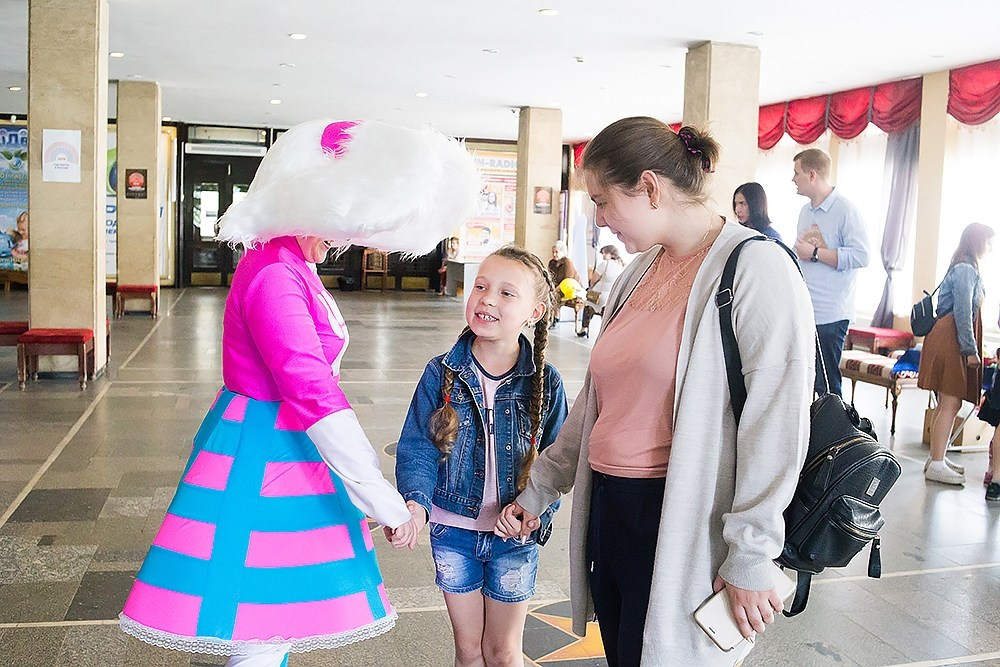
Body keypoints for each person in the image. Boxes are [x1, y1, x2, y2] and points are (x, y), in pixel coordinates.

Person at [119, 119, 478, 667]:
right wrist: (382, 501)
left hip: (280, 445)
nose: (341, 240)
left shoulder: (288, 262)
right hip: (266, 452)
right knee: (258, 627)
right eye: (339, 224)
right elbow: (311, 388)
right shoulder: (274, 272)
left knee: (269, 623)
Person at [495, 118, 815, 666]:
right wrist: (542, 487)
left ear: (649, 187)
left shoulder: (755, 267)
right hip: (612, 512)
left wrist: (752, 554)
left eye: (601, 201)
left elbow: (776, 421)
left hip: (682, 517)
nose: (598, 219)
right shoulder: (639, 271)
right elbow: (598, 400)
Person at [395, 245, 568, 667]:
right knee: (470, 651)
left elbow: (557, 462)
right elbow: (418, 446)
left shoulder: (546, 383)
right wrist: (416, 505)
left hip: (514, 538)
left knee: (503, 652)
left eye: (507, 293)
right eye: (481, 286)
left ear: (535, 312)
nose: (487, 298)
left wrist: (534, 511)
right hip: (452, 532)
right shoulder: (441, 373)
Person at [919, 222, 994, 486]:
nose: (991, 246)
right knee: (950, 401)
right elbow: (963, 312)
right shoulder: (965, 269)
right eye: (988, 241)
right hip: (951, 340)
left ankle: (937, 457)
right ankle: (937, 462)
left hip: (950, 338)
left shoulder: (964, 266)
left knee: (947, 402)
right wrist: (970, 351)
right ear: (976, 241)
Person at [791, 148, 869, 397]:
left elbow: (861, 256)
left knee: (828, 385)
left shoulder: (846, 210)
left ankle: (834, 435)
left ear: (812, 175)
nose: (793, 179)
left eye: (796, 173)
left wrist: (815, 253)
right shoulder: (805, 212)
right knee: (806, 379)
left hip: (831, 313)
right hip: (807, 308)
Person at [577, 245, 625, 338]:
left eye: (604, 253)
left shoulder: (604, 264)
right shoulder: (620, 265)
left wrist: (590, 287)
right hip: (611, 297)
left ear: (610, 253)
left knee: (587, 306)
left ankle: (583, 329)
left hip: (599, 295)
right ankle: (604, 333)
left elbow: (594, 279)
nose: (603, 255)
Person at [548, 240, 582, 328]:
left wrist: (555, 289)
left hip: (571, 288)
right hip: (559, 287)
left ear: (563, 252)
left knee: (555, 296)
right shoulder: (552, 263)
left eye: (556, 252)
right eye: (553, 252)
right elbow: (550, 277)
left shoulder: (567, 262)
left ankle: (555, 318)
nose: (554, 254)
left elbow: (567, 280)